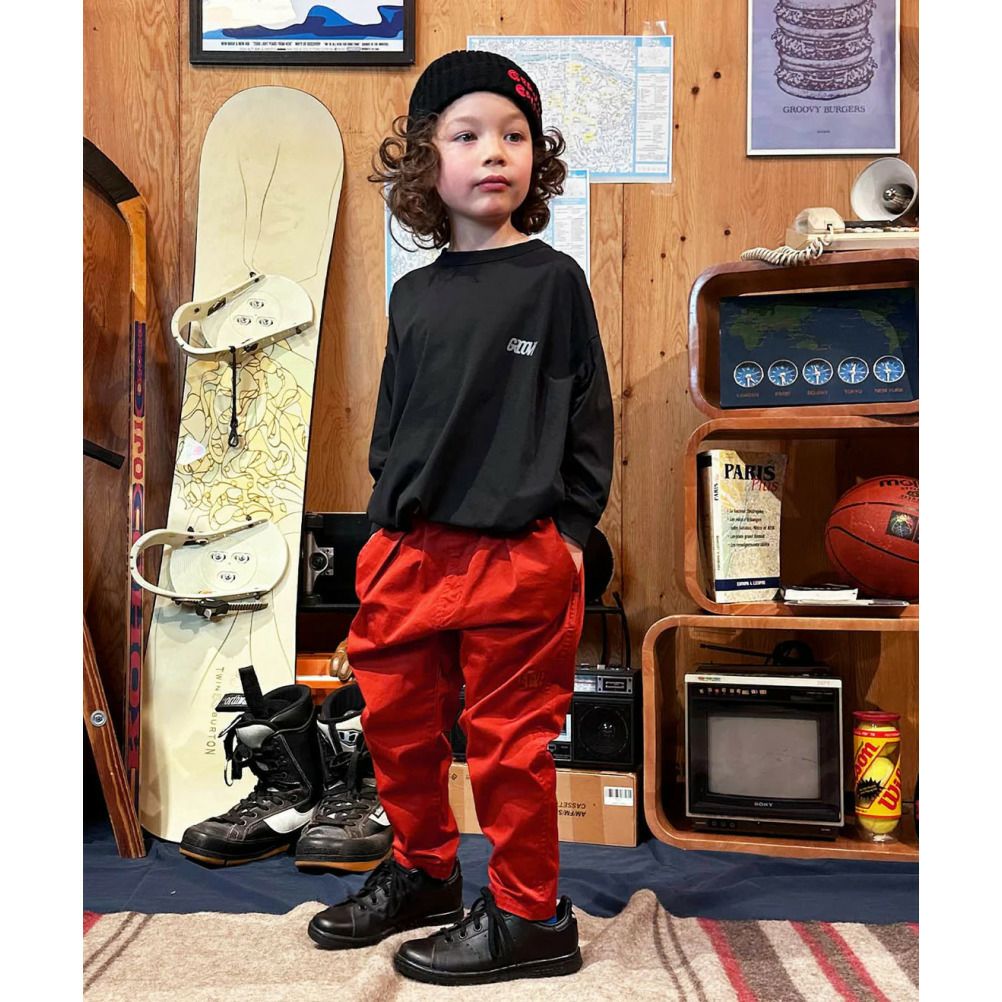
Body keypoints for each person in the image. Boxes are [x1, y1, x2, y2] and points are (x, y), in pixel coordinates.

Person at [308, 49, 614, 986]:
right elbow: (394, 423)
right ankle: (425, 876)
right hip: (408, 551)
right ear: (424, 162)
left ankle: (530, 918)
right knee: (396, 730)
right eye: (468, 134)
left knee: (509, 747)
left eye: (515, 136)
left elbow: (588, 414)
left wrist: (571, 535)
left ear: (537, 161)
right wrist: (383, 531)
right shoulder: (413, 295)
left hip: (518, 556)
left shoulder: (554, 281)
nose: (495, 152)